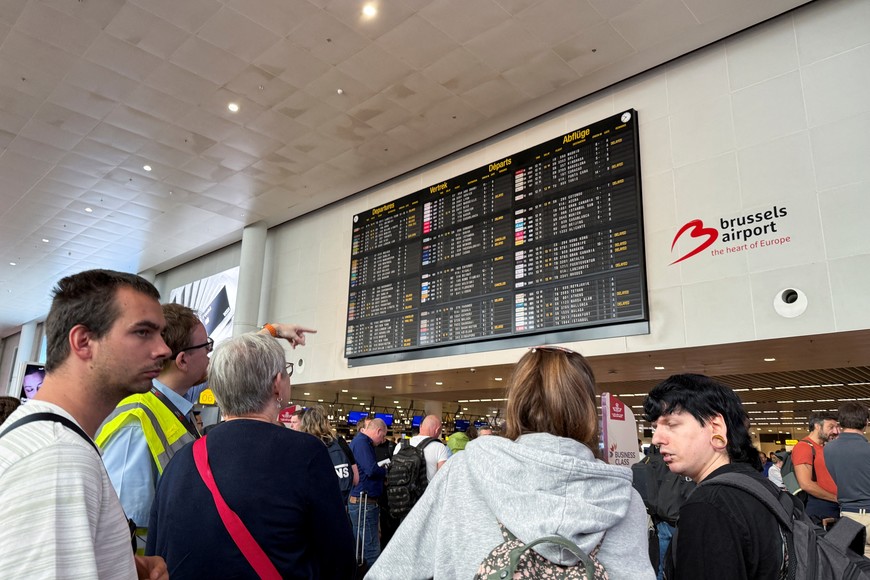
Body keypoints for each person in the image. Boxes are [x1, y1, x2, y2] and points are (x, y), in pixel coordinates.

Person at [368, 346, 654, 579]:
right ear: (587, 410)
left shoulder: (463, 474)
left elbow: (391, 571)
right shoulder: (623, 499)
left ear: (516, 403)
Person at [96, 302, 314, 546]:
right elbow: (121, 522)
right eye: (206, 347)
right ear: (182, 361)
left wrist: (272, 331)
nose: (212, 354)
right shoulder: (136, 421)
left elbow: (236, 360)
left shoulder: (175, 404)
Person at [0, 269, 169, 579]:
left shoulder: (44, 438)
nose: (164, 349)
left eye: (160, 333)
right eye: (143, 332)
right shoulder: (57, 458)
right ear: (83, 341)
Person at [146, 333, 354, 578]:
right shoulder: (305, 454)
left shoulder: (181, 459)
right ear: (277, 383)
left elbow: (156, 555)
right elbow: (338, 557)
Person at [645, 374, 784, 580]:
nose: (656, 438)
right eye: (656, 427)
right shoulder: (757, 486)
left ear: (716, 427)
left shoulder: (708, 507)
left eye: (671, 424)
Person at [822, 401, 870, 556]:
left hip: (846, 517)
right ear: (866, 423)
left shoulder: (828, 449)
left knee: (851, 566)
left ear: (840, 423)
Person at [349, 416, 389, 568]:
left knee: (361, 547)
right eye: (383, 435)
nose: (383, 440)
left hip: (360, 501)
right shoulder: (362, 443)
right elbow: (371, 470)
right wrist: (384, 472)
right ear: (378, 431)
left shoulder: (360, 442)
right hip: (364, 503)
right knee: (371, 548)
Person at [299, 403, 359, 503]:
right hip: (336, 506)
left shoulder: (301, 444)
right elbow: (355, 479)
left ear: (304, 422)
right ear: (326, 422)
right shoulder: (339, 442)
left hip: (308, 507)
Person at [792, 412, 840, 524]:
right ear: (817, 426)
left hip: (833, 505)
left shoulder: (824, 448)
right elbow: (806, 484)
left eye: (836, 427)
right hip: (820, 507)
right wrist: (835, 498)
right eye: (831, 427)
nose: (835, 431)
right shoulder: (804, 447)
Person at [394, 414, 451, 481]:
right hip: (427, 490)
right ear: (437, 430)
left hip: (399, 490)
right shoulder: (439, 447)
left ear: (420, 427)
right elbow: (443, 478)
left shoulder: (400, 445)